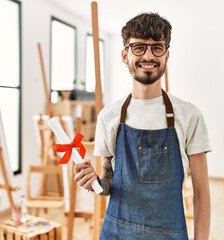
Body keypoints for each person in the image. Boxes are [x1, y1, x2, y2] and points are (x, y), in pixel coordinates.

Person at [74, 12, 211, 240]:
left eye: (157, 47)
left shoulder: (190, 116)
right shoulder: (109, 116)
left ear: (167, 54)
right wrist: (93, 182)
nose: (148, 55)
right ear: (125, 54)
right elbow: (108, 184)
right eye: (139, 47)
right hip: (117, 233)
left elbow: (201, 195)